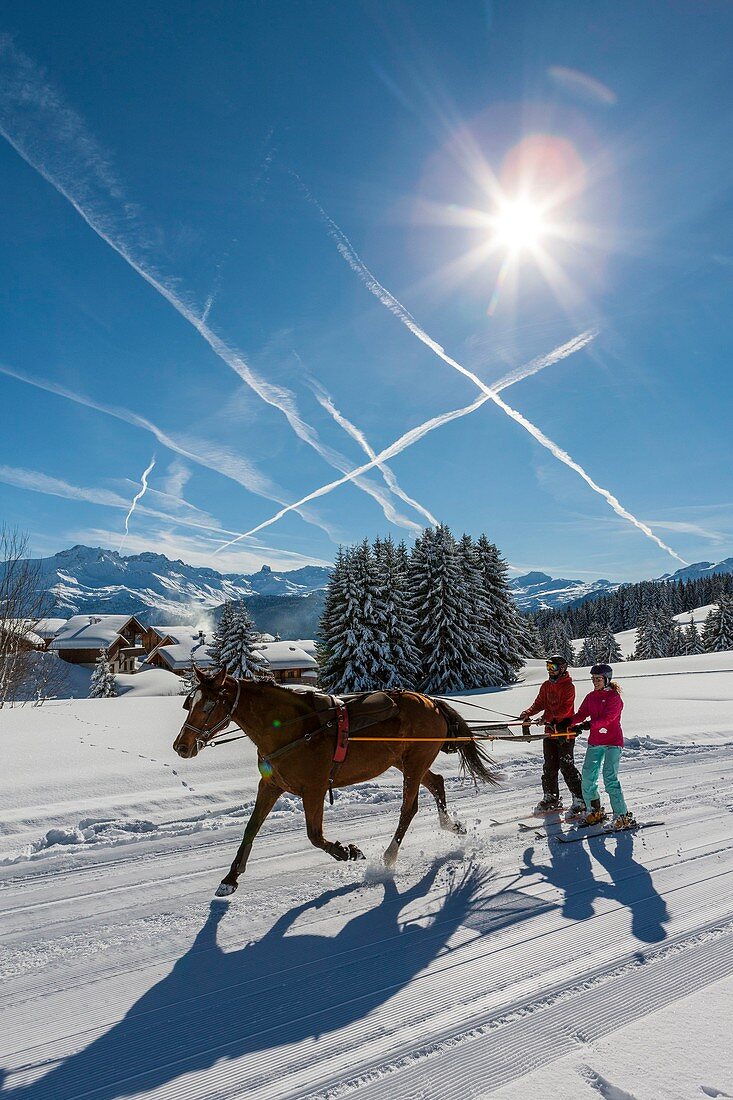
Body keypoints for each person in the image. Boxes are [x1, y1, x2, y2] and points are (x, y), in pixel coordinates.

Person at [569, 663, 635, 830]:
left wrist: (587, 725)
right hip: (596, 742)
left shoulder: (614, 698)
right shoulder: (591, 697)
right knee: (588, 777)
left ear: (607, 679)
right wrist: (566, 723)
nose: (595, 682)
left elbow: (608, 719)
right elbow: (581, 714)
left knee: (609, 778)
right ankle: (594, 810)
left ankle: (622, 815)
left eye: (598, 679)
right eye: (593, 679)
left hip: (613, 742)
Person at [520, 654, 585, 817]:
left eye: (553, 667)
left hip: (565, 732)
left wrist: (546, 718)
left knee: (566, 767)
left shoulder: (568, 687)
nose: (550, 671)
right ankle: (551, 798)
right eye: (548, 667)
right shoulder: (546, 685)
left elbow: (565, 709)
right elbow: (539, 703)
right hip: (549, 733)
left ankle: (580, 799)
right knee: (549, 767)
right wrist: (528, 713)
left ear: (562, 669)